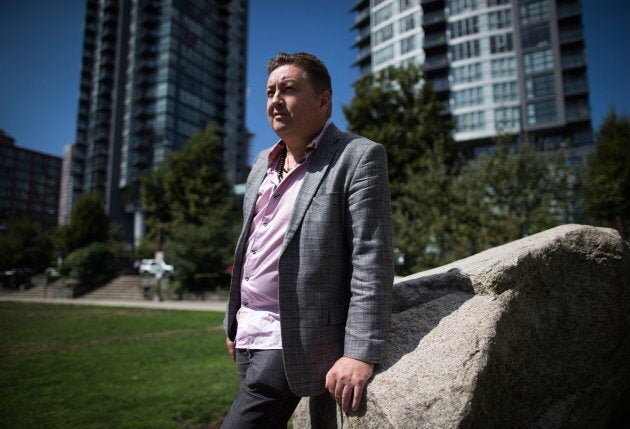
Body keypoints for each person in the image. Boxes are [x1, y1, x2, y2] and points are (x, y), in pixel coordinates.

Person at [221, 52, 393, 429]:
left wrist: (360, 353)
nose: (275, 101)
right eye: (269, 92)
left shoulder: (358, 157)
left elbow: (372, 260)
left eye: (288, 89)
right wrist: (234, 321)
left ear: (323, 100)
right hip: (249, 333)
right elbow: (252, 248)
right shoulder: (260, 162)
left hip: (294, 337)